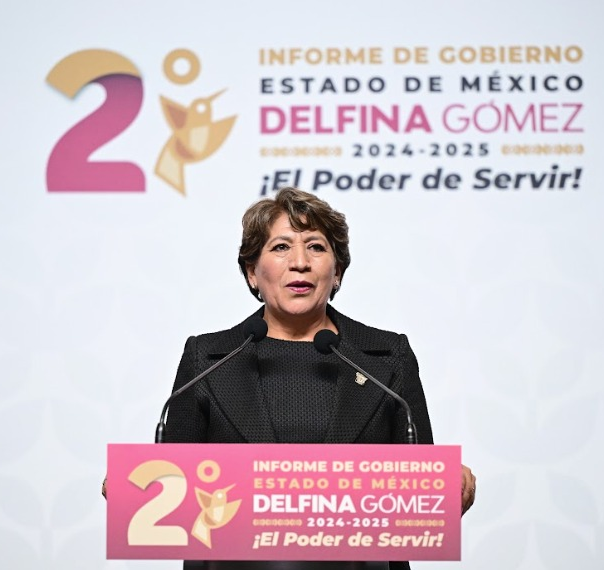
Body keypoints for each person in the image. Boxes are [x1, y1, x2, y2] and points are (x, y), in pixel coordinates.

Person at [159, 187, 476, 570]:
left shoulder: (388, 357)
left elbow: (420, 485)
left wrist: (446, 487)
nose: (300, 263)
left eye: (316, 247)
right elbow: (171, 485)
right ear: (252, 272)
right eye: (280, 247)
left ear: (337, 271)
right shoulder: (207, 359)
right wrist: (139, 489)